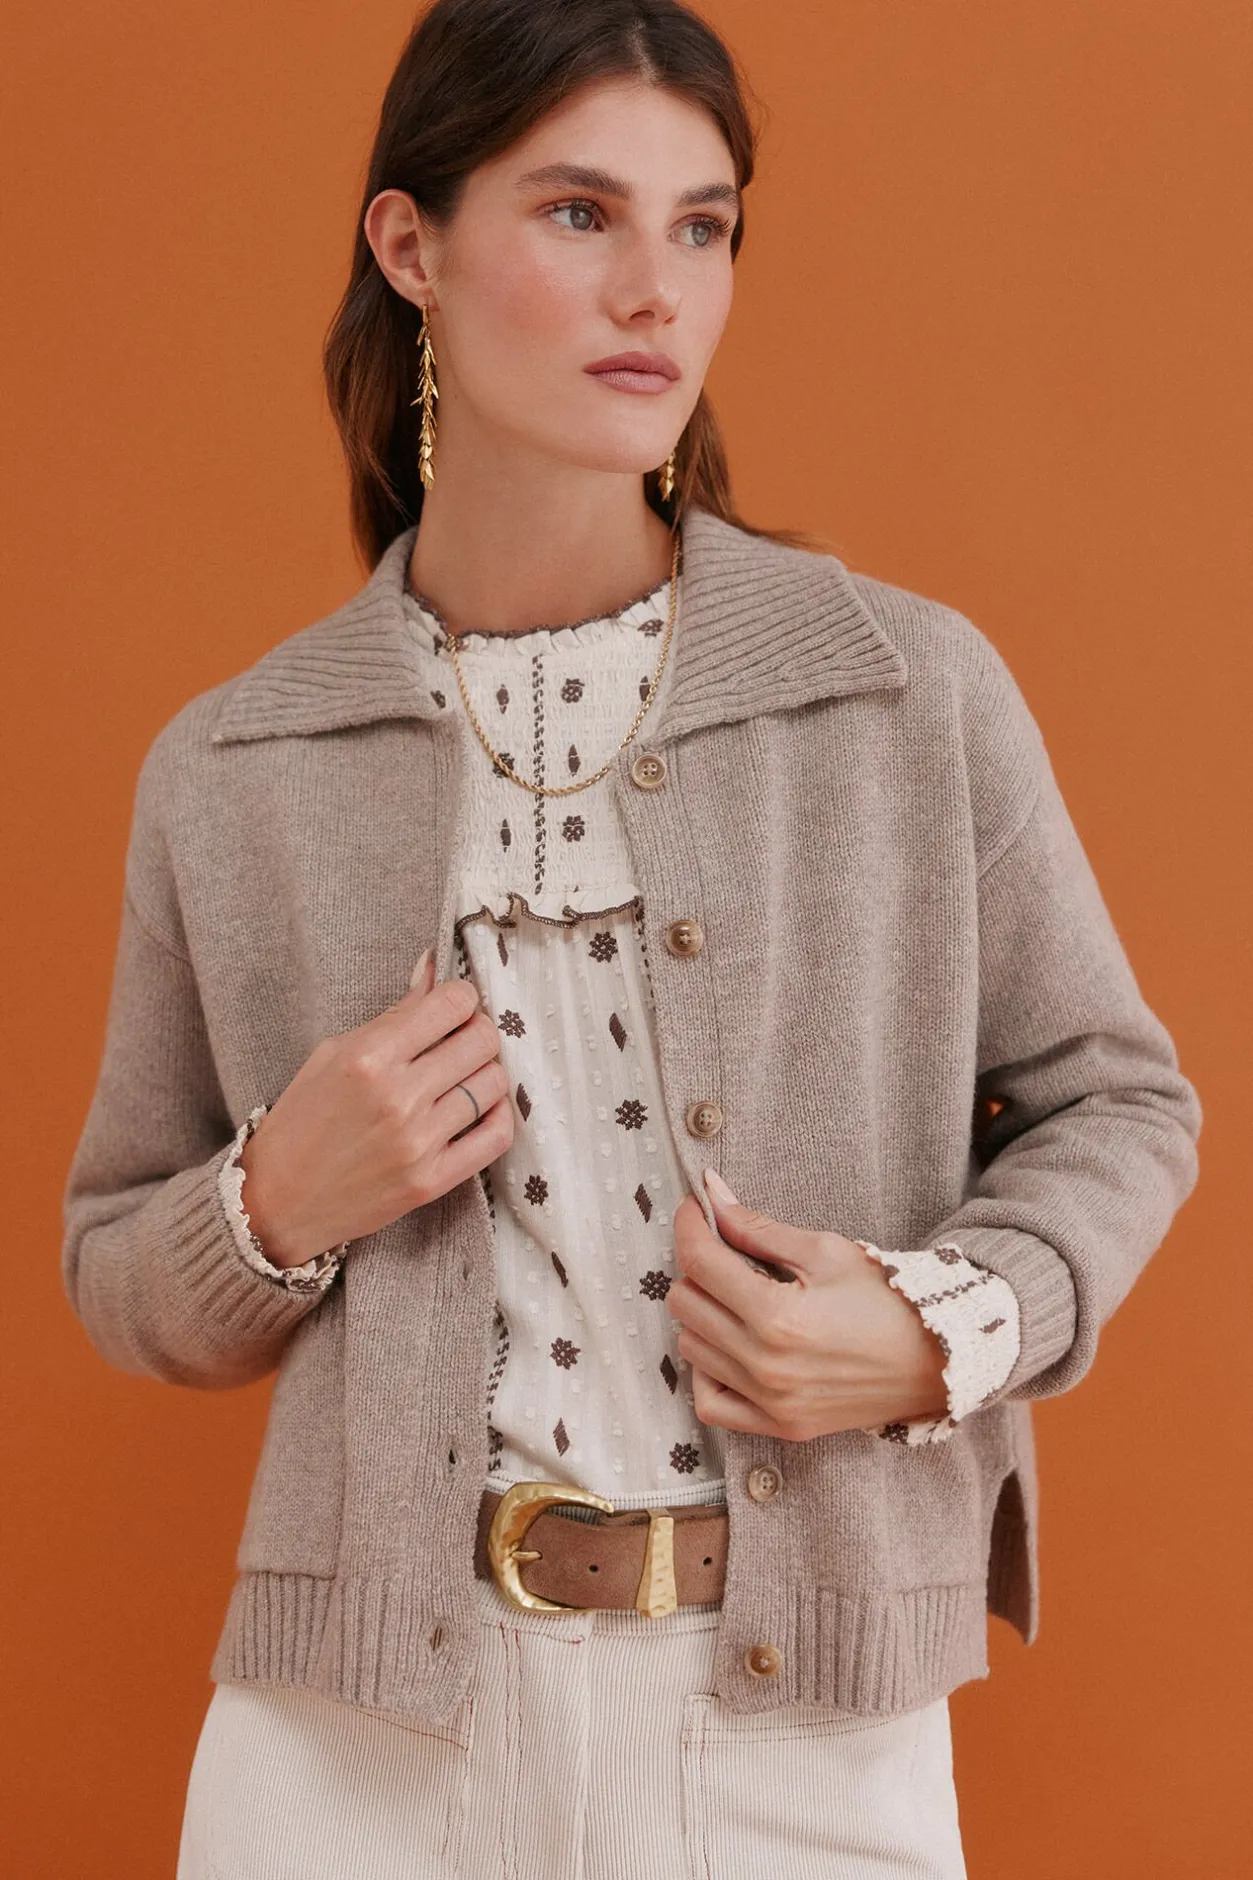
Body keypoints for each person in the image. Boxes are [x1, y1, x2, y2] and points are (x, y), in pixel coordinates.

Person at [60, 2, 1202, 1875]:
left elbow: (1121, 1101)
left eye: (703, 225)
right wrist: (274, 1200)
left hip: (806, 1740)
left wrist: (937, 1333)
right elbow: (120, 1264)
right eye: (580, 213)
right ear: (411, 245)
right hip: (356, 1754)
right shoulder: (239, 764)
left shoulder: (900, 692)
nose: (656, 291)